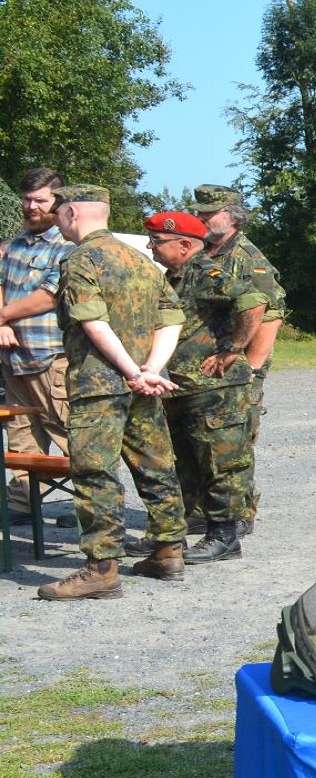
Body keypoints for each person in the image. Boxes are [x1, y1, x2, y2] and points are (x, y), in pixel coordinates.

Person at [37, 185, 186, 601]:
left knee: (94, 472)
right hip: (143, 385)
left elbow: (93, 322)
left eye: (57, 214)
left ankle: (101, 569)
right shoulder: (140, 260)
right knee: (156, 465)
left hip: (99, 385)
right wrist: (150, 370)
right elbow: (172, 318)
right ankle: (168, 550)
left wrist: (130, 371)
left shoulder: (80, 260)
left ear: (70, 214)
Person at [142, 209, 267, 569]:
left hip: (216, 388)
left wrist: (233, 348)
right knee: (184, 462)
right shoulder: (175, 277)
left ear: (184, 245)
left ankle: (225, 535)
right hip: (183, 386)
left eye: (158, 241)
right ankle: (172, 533)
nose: (151, 247)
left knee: (220, 462)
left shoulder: (205, 273)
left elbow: (254, 300)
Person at [190, 184, 286, 536]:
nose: (201, 216)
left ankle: (240, 513)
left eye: (208, 211)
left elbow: (270, 314)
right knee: (201, 441)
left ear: (231, 216)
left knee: (235, 444)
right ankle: (204, 509)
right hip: (203, 369)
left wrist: (251, 369)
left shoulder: (249, 259)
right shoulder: (202, 251)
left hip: (237, 370)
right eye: (199, 211)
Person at [1, 167, 74, 519]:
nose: (31, 206)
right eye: (27, 199)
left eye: (40, 200)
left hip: (51, 355)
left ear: (58, 201)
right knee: (21, 433)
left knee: (68, 429)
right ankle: (22, 502)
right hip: (13, 355)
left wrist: (2, 317)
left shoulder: (69, 244)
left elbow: (49, 296)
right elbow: (1, 284)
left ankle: (94, 505)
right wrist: (3, 323)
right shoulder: (15, 243)